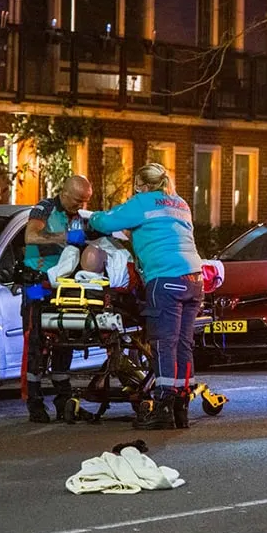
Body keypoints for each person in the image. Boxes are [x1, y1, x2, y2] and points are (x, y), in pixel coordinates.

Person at [88, 163, 203, 430]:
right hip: (194, 279)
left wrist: (90, 218)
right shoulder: (180, 203)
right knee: (183, 345)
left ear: (142, 184)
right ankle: (180, 409)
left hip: (165, 280)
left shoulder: (142, 202)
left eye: (136, 185)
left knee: (164, 344)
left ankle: (162, 408)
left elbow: (106, 220)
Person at [22, 174, 93, 423]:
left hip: (64, 285)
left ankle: (64, 401)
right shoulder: (45, 208)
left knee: (65, 339)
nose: (80, 206)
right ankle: (35, 404)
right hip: (37, 283)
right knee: (36, 342)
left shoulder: (77, 217)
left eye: (84, 202)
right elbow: (30, 236)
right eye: (76, 201)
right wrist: (63, 238)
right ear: (64, 193)